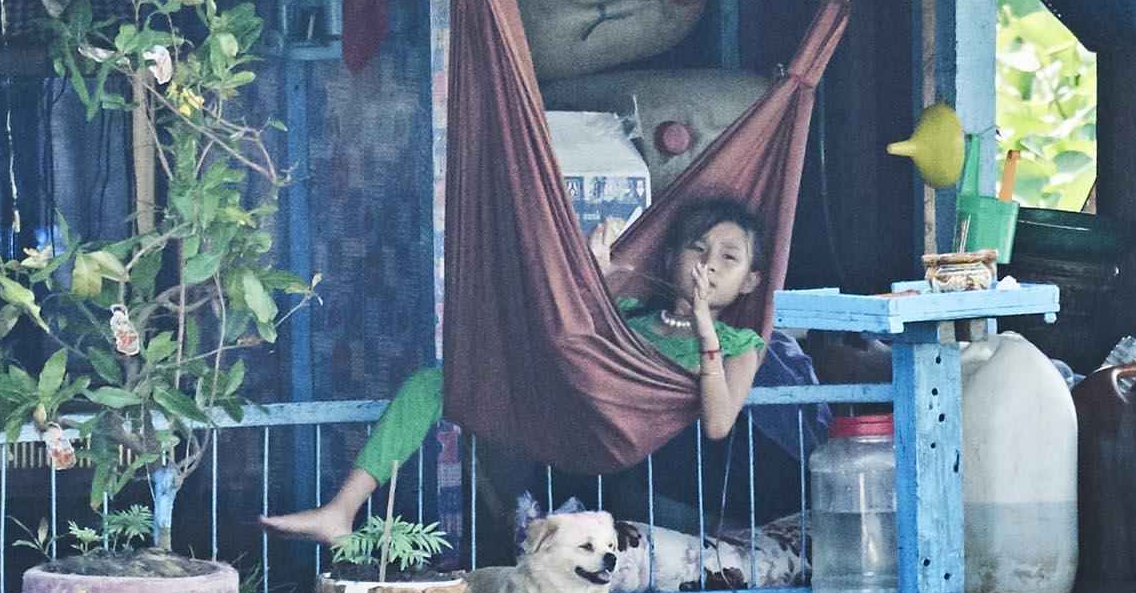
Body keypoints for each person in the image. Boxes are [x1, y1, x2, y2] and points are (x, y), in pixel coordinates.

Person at [263, 193, 773, 543]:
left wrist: (705, 327)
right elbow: (573, 339)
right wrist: (596, 276)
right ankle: (341, 511)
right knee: (432, 381)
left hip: (613, 440)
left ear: (749, 283)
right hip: (556, 408)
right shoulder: (631, 314)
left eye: (728, 257)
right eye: (697, 248)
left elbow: (719, 422)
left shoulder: (738, 343)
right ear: (669, 260)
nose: (707, 263)